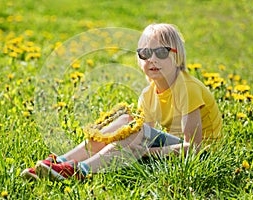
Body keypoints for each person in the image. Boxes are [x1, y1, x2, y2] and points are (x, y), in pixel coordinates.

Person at [21, 23, 222, 181]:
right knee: (128, 122)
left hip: (204, 156)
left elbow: (195, 148)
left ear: (177, 56)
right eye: (145, 53)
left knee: (138, 132)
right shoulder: (148, 94)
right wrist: (138, 148)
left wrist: (146, 153)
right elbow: (141, 137)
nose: (152, 59)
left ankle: (80, 170)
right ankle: (60, 162)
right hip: (172, 151)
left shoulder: (187, 89)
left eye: (161, 52)